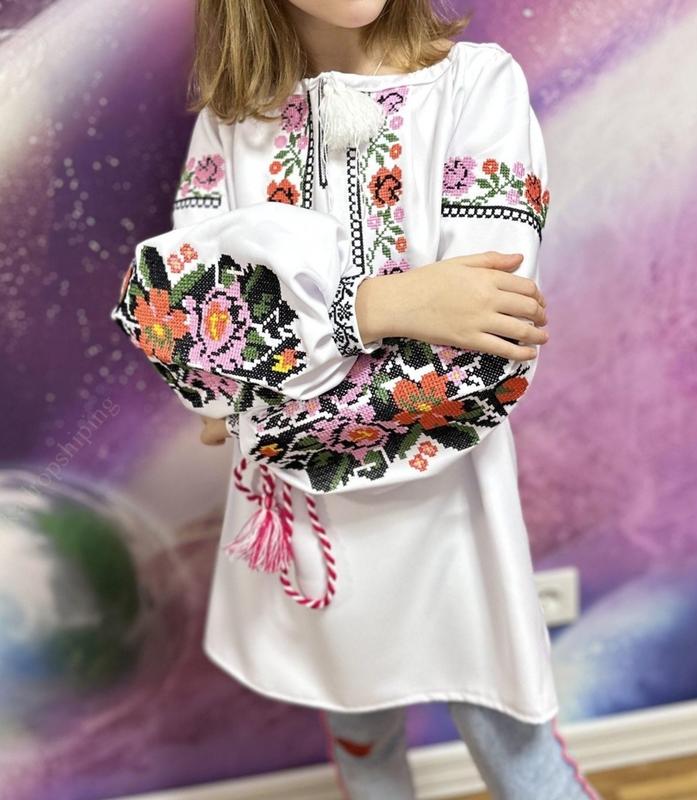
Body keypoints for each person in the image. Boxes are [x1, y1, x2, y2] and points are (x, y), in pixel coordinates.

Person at [110, 0, 603, 797]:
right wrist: (380, 306)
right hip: (306, 520)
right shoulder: (233, 127)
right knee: (354, 712)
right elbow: (187, 323)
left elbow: (485, 345)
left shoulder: (474, 88)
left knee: (509, 736)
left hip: (447, 502)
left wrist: (267, 377)